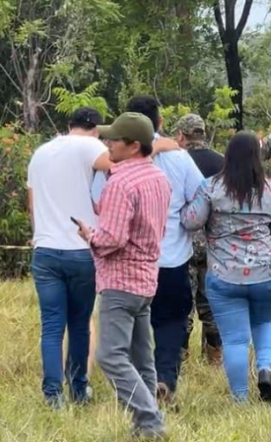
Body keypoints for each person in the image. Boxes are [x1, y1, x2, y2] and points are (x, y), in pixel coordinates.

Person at [76, 112, 171, 439]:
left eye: (114, 139)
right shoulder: (158, 177)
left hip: (120, 281)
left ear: (133, 146)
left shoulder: (120, 181)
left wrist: (90, 236)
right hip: (146, 279)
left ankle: (150, 421)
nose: (107, 143)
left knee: (110, 356)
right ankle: (145, 428)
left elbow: (113, 239)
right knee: (143, 359)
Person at [181, 131, 271, 403]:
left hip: (224, 275)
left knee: (235, 340)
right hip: (267, 273)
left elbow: (192, 221)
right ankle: (264, 367)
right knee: (266, 322)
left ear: (227, 156)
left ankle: (240, 398)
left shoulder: (211, 188)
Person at [27, 107, 111, 407]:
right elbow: (119, 162)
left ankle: (52, 394)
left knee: (51, 326)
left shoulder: (41, 152)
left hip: (46, 249)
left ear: (69, 124)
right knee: (79, 322)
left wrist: (40, 234)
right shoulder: (91, 145)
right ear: (96, 129)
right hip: (80, 250)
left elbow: (32, 201)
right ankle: (78, 387)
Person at [127, 97, 203, 407]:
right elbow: (201, 197)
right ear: (160, 123)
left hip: (130, 260)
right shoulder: (180, 158)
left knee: (133, 322)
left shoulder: (116, 156)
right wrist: (185, 220)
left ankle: (139, 384)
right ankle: (164, 379)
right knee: (171, 322)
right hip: (171, 257)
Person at [174, 114, 224, 365]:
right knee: (211, 298)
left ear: (182, 135)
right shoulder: (222, 162)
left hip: (183, 240)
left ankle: (181, 354)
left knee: (183, 299)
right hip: (214, 241)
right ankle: (214, 355)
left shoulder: (177, 161)